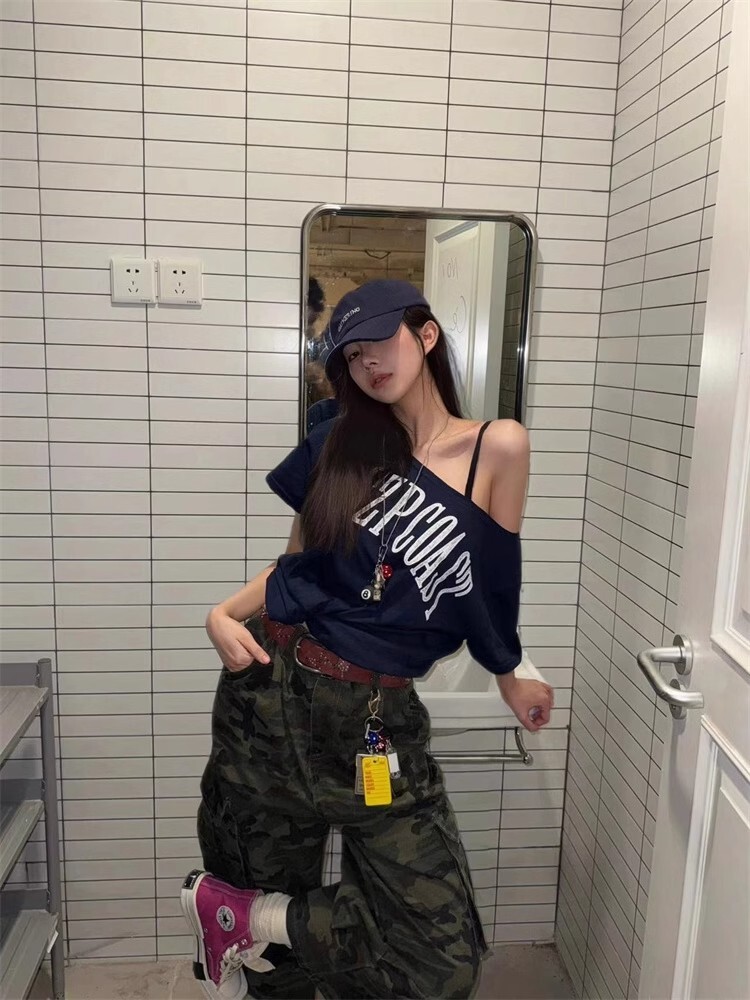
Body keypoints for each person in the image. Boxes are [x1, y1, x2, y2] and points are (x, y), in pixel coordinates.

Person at [181, 279, 554, 1000]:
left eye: (380, 341)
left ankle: (246, 916)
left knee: (439, 959)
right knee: (272, 967)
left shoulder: (497, 446)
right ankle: (247, 925)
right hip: (271, 691)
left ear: (426, 335)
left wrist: (509, 670)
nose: (368, 363)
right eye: (352, 355)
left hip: (374, 715)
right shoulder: (339, 441)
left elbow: (490, 583)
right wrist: (222, 613)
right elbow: (297, 567)